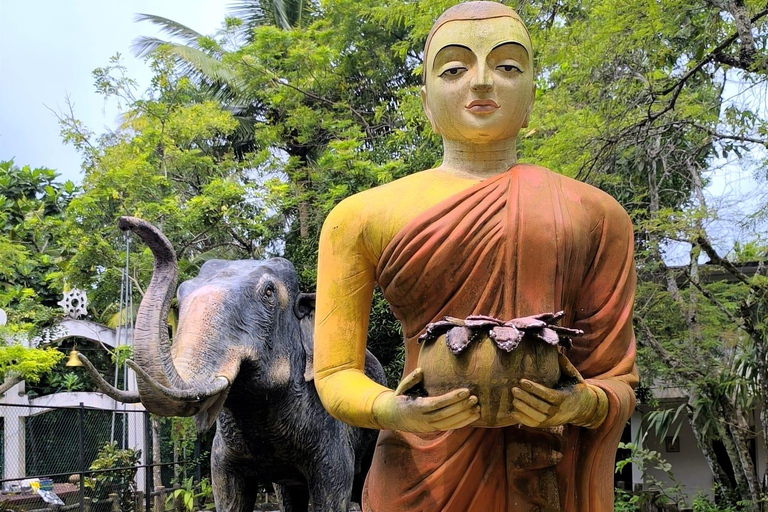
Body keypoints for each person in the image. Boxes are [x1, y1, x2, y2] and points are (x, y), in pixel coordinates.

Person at [314, 2, 637, 511]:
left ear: (531, 97)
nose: (482, 82)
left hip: (545, 471)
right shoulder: (358, 217)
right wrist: (394, 410)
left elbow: (615, 376)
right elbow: (334, 375)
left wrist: (580, 402)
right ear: (425, 100)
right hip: (419, 470)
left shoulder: (596, 214)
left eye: (507, 66)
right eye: (454, 68)